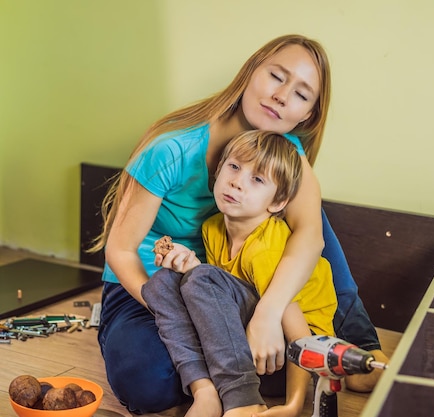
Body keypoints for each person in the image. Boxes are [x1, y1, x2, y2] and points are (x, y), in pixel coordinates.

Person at [90, 33, 387, 414]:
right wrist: (168, 308)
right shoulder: (171, 149)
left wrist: (267, 315)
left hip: (232, 288)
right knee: (149, 385)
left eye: (300, 94)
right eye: (277, 77)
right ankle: (232, 379)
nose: (281, 96)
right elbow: (120, 249)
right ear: (250, 73)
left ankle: (347, 339)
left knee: (308, 221)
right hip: (149, 288)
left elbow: (312, 240)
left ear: (307, 115)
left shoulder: (289, 155)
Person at [142, 130, 338, 417]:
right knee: (160, 283)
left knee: (202, 278)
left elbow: (298, 332)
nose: (236, 182)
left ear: (277, 202)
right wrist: (190, 268)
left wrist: (294, 404)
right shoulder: (213, 228)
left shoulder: (265, 248)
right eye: (234, 167)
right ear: (219, 170)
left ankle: (245, 401)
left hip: (289, 359)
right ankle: (205, 390)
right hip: (244, 347)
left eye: (257, 180)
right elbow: (222, 296)